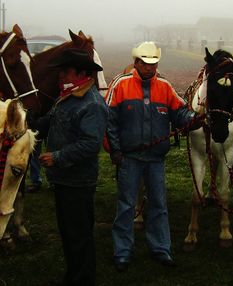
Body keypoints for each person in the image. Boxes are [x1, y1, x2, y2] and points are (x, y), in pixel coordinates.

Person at [105, 41, 199, 272]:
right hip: (129, 158)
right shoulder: (120, 85)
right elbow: (108, 120)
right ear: (136, 62)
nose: (150, 67)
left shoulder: (165, 87)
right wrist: (115, 150)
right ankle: (123, 252)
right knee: (126, 206)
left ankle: (161, 249)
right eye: (145, 63)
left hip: (156, 159)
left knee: (159, 205)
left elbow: (180, 112)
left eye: (153, 63)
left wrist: (193, 118)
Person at [37, 48, 108, 286]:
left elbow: (90, 144)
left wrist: (57, 157)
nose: (60, 76)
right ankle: (74, 277)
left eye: (65, 71)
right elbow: (50, 121)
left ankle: (83, 280)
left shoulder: (92, 104)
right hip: (63, 180)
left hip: (77, 182)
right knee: (70, 235)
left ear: (82, 73)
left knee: (79, 237)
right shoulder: (67, 97)